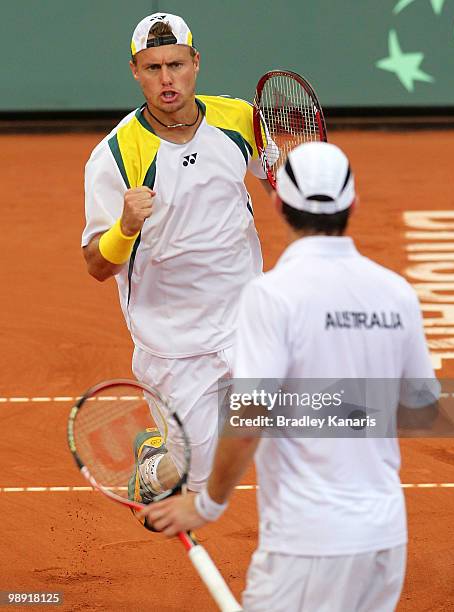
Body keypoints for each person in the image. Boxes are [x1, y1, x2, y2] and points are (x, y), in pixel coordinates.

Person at [139, 142, 440, 611]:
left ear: (279, 204)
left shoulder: (270, 295)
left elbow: (248, 420)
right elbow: (422, 403)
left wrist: (205, 506)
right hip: (385, 539)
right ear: (353, 205)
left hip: (307, 542)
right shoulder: (396, 292)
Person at [81, 13, 270, 500]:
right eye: (153, 68)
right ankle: (153, 468)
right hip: (175, 343)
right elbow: (96, 265)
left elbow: (277, 184)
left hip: (247, 318)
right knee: (198, 477)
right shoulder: (116, 155)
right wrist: (124, 228)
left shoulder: (240, 119)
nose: (167, 80)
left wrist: (289, 178)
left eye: (176, 65)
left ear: (196, 63)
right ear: (135, 71)